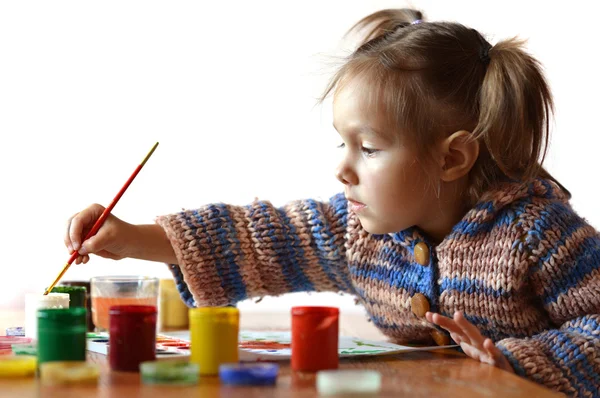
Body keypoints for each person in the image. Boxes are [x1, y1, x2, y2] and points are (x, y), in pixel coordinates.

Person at [64, 9, 599, 396]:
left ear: (452, 158)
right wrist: (131, 238)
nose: (342, 168)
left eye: (368, 148)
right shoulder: (359, 229)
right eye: (343, 144)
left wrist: (515, 361)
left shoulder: (539, 233)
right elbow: (256, 237)